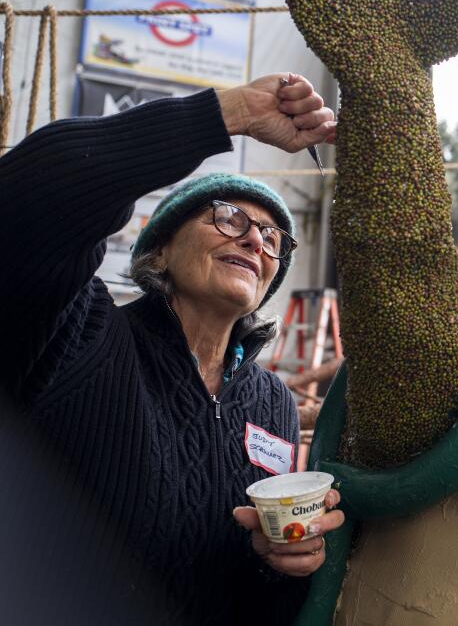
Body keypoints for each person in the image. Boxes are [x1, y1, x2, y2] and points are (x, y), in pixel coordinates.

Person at [0, 74, 343, 624]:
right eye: (230, 218)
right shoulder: (78, 334)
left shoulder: (272, 403)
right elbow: (33, 199)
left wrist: (277, 564)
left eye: (273, 237)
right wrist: (227, 113)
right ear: (159, 248)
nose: (256, 240)